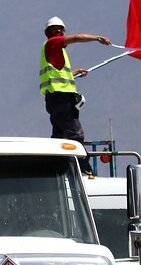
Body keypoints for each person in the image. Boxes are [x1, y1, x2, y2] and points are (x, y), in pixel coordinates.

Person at [39, 16, 111, 175]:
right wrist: (97, 38)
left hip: (54, 100)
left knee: (59, 135)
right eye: (54, 29)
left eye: (60, 29)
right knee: (75, 134)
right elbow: (77, 37)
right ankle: (83, 169)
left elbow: (56, 75)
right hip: (61, 99)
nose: (58, 31)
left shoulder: (55, 51)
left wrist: (74, 73)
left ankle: (56, 168)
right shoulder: (53, 43)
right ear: (48, 33)